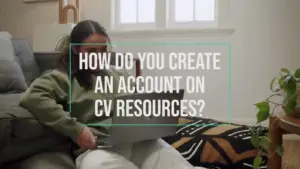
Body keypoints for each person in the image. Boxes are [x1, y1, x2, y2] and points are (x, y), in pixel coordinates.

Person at [19, 20, 195, 169]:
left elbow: (141, 99)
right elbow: (32, 97)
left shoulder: (119, 74)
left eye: (103, 50)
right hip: (97, 150)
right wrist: (77, 130)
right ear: (76, 50)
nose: (99, 57)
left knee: (170, 159)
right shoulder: (62, 77)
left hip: (138, 142)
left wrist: (158, 116)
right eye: (91, 51)